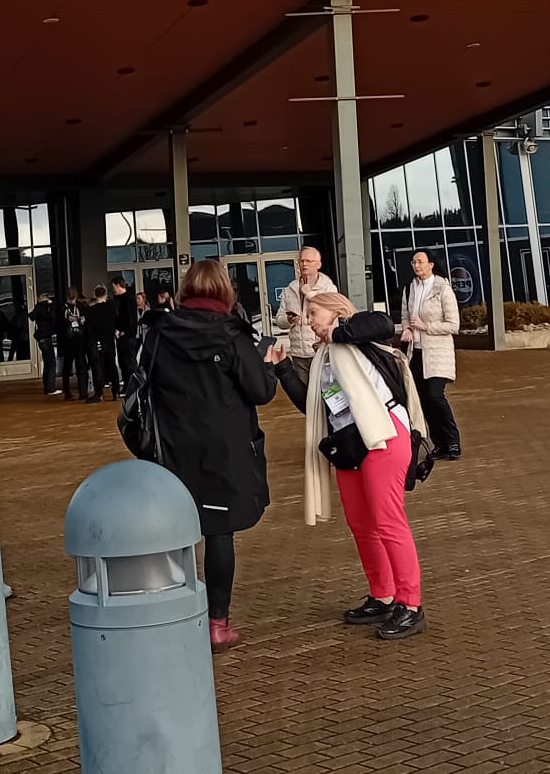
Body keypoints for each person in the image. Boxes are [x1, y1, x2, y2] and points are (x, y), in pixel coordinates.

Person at [266, 293, 427, 640]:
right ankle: (383, 595)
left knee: (387, 521)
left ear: (336, 311)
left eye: (314, 312)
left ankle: (410, 603)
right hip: (349, 440)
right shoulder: (323, 355)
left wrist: (338, 330)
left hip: (382, 433)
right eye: (308, 314)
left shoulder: (357, 336)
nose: (309, 320)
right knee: (361, 524)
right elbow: (314, 405)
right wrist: (283, 369)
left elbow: (382, 324)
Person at [144, 258, 277, 652]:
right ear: (225, 291)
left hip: (171, 446)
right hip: (223, 449)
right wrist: (269, 366)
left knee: (173, 532)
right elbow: (260, 391)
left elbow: (143, 383)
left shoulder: (159, 331)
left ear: (185, 289)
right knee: (219, 532)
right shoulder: (233, 335)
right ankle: (217, 624)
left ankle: (173, 614)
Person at [401, 250, 462, 460]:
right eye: (413, 262)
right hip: (416, 353)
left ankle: (453, 441)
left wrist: (426, 326)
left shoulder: (442, 288)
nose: (416, 265)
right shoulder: (410, 288)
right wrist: (407, 329)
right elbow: (406, 316)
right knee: (424, 400)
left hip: (437, 353)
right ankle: (439, 444)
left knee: (435, 395)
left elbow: (453, 325)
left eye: (420, 261)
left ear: (431, 264)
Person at [275, 245, 341, 385]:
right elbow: (279, 320)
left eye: (309, 261)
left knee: (323, 391)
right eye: (301, 261)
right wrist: (288, 319)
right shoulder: (290, 289)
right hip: (298, 354)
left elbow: (332, 314)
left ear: (318, 264)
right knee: (303, 393)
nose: (304, 264)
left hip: (320, 350)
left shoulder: (328, 287)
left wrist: (308, 293)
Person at [85, 286, 118, 401]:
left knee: (98, 367)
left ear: (95, 295)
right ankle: (116, 390)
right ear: (105, 294)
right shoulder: (111, 309)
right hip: (109, 340)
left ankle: (99, 392)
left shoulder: (91, 310)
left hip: (97, 341)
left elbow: (88, 328)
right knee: (112, 365)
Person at [59, 289, 92, 401]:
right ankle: (68, 391)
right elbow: (58, 323)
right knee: (68, 367)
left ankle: (83, 392)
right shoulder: (63, 308)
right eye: (70, 296)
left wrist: (80, 320)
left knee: (80, 366)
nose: (72, 297)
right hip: (69, 340)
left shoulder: (81, 307)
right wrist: (67, 321)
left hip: (79, 339)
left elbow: (87, 320)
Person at [112, 278, 140, 389]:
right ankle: (128, 385)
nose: (113, 290)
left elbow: (129, 318)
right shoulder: (124, 299)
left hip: (127, 336)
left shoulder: (127, 299)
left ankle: (133, 386)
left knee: (128, 363)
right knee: (123, 362)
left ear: (118, 286)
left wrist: (122, 330)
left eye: (114, 287)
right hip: (124, 336)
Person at [30, 294, 60, 395]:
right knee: (51, 363)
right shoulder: (47, 308)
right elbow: (53, 317)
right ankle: (50, 388)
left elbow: (31, 316)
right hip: (46, 337)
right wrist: (50, 305)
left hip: (40, 338)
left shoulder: (38, 308)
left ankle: (47, 386)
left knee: (47, 363)